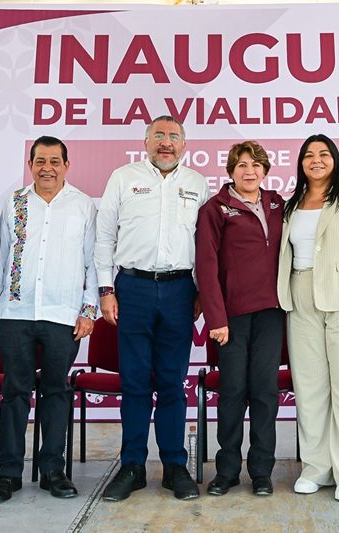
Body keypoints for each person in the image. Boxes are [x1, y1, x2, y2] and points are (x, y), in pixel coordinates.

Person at [95, 116, 209, 501]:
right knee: (135, 383)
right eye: (158, 135)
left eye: (174, 136)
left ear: (184, 144)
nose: (166, 143)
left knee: (173, 384)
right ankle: (132, 467)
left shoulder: (197, 184)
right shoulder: (123, 177)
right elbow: (104, 236)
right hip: (132, 289)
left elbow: (206, 247)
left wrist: (201, 294)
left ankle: (175, 466)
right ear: (145, 142)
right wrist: (105, 289)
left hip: (180, 290)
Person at [0, 136, 98, 504]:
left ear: (67, 165)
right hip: (15, 312)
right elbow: (1, 259)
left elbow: (91, 260)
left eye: (54, 161)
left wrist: (88, 308)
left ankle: (53, 470)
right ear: (30, 164)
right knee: (15, 391)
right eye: (40, 160)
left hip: (63, 316)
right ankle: (8, 473)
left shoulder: (82, 206)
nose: (47, 167)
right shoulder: (14, 202)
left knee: (57, 391)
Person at [277, 134, 339, 502]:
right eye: (308, 155)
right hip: (300, 298)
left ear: (335, 160)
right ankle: (317, 467)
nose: (316, 160)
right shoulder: (293, 202)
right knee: (310, 388)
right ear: (301, 163)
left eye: (323, 154)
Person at [195, 141, 285, 497]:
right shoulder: (215, 209)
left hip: (271, 313)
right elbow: (206, 265)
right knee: (232, 393)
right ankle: (227, 470)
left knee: (265, 392)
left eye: (256, 165)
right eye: (242, 165)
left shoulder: (278, 203)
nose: (250, 171)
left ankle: (261, 471)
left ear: (265, 170)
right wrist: (216, 317)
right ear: (231, 171)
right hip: (230, 318)